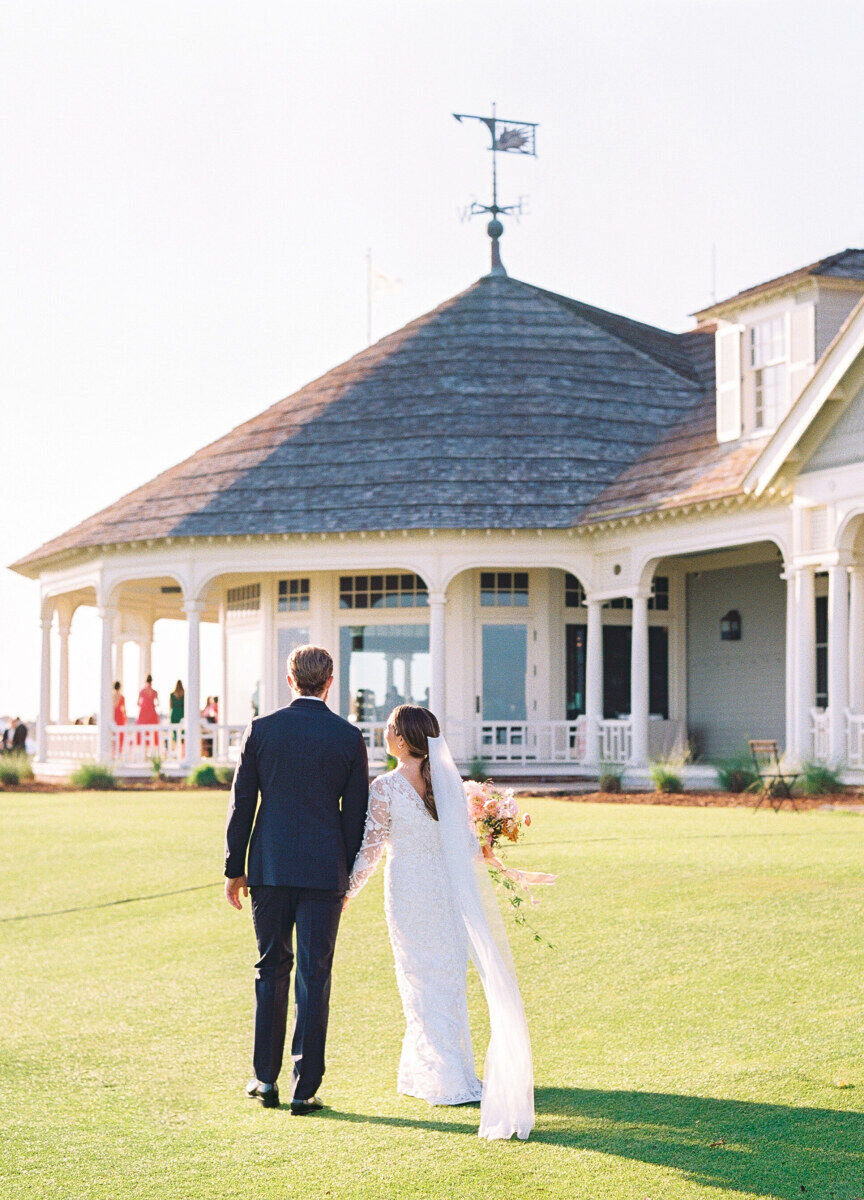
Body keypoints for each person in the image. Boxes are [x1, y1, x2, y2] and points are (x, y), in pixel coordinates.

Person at [344, 705, 535, 1141]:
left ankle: (446, 1079)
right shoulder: (447, 785)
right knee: (445, 980)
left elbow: (370, 850)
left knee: (418, 978)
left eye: (390, 729)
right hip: (447, 893)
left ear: (402, 739)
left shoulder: (387, 787)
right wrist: (489, 837)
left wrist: (347, 892)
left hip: (410, 891)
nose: (385, 733)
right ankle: (427, 1071)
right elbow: (467, 846)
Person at [224, 644, 369, 1114]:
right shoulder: (348, 737)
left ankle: (265, 1081)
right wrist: (344, 876)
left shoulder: (262, 730)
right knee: (314, 974)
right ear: (330, 683)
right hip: (324, 872)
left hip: (269, 868)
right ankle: (305, 1089)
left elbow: (241, 803)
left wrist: (234, 868)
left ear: (290, 680)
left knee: (270, 969)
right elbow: (356, 818)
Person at [136, 675, 160, 754]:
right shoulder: (154, 692)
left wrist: (144, 706)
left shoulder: (142, 691)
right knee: (153, 733)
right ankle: (153, 752)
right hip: (152, 713)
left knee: (143, 732)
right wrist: (151, 705)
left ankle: (145, 753)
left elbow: (138, 703)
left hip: (143, 713)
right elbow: (158, 703)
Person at [113, 682, 126, 753]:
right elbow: (124, 709)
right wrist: (125, 717)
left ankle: (114, 750)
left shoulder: (112, 697)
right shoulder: (122, 697)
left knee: (114, 733)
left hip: (114, 715)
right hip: (120, 716)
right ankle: (119, 750)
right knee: (120, 734)